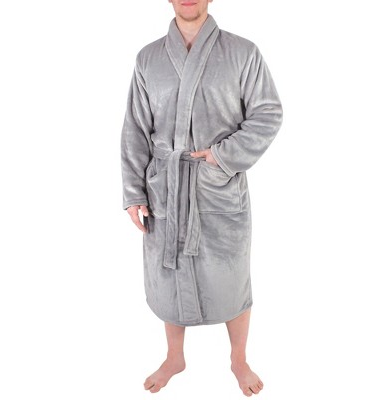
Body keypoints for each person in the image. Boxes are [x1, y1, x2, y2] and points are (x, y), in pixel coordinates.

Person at [120, 0, 283, 396]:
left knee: (231, 277)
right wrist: (133, 191)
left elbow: (267, 113)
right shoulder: (148, 59)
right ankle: (175, 357)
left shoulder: (243, 53)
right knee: (168, 274)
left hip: (218, 188)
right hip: (165, 187)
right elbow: (135, 129)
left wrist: (221, 157)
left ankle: (238, 359)